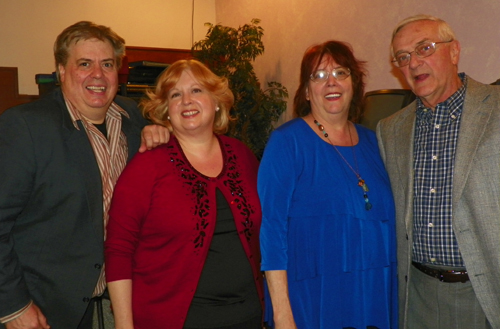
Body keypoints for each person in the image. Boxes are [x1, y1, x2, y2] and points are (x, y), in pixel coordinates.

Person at [0, 21, 168, 329]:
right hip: (41, 309)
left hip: (114, 305)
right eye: (84, 64)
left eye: (107, 64)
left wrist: (162, 133)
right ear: (61, 71)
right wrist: (13, 307)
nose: (98, 75)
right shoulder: (25, 127)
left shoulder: (133, 118)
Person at [104, 59, 264, 329]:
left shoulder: (243, 155)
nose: (187, 100)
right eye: (175, 95)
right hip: (173, 320)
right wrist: (123, 324)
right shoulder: (147, 166)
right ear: (167, 111)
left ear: (216, 102)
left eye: (197, 90)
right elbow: (119, 249)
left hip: (247, 316)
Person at [258, 40, 398, 329]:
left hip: (373, 294)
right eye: (318, 76)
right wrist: (284, 317)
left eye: (340, 72)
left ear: (354, 83)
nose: (331, 82)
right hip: (313, 301)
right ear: (307, 92)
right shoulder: (287, 142)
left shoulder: (375, 142)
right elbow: (272, 232)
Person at [377, 14, 500, 329]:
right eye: (403, 57)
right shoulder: (389, 130)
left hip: (485, 294)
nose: (414, 63)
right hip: (416, 297)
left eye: (424, 48)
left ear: (454, 51)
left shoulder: (496, 108)